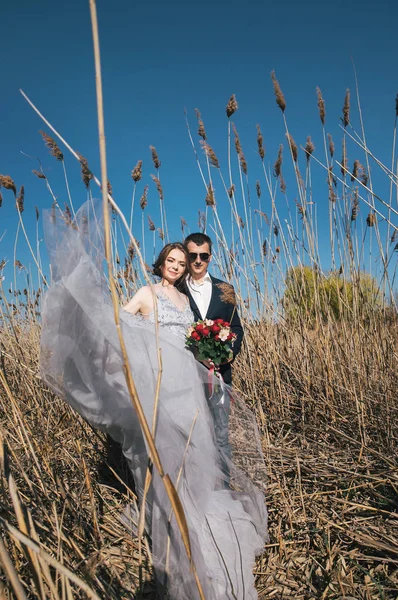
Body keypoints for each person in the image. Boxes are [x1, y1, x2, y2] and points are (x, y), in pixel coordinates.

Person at [40, 202, 267, 600]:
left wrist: (216, 353)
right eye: (174, 260)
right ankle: (172, 512)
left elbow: (208, 333)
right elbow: (122, 323)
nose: (179, 266)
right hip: (162, 381)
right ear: (161, 263)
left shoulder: (188, 301)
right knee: (167, 449)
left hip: (192, 384)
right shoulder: (146, 292)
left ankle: (199, 505)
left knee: (200, 445)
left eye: (186, 261)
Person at [183, 233, 243, 477]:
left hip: (219, 376)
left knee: (220, 435)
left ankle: (225, 490)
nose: (198, 260)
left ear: (210, 257)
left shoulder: (225, 289)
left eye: (203, 256)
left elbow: (236, 327)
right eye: (192, 255)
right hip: (185, 377)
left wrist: (229, 353)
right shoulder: (175, 287)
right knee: (189, 436)